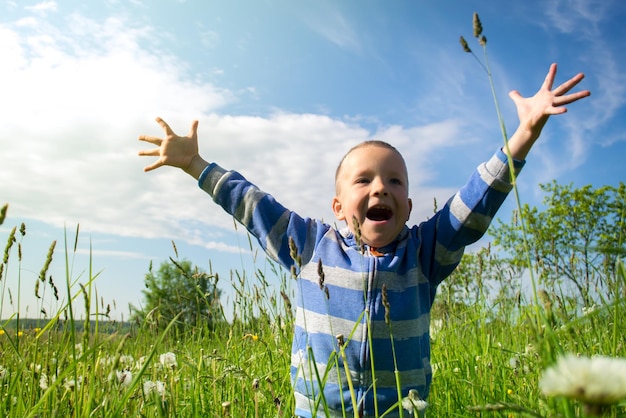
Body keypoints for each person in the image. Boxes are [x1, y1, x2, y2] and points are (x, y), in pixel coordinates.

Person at [138, 63, 589, 417]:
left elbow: (474, 203)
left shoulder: (424, 254)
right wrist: (197, 164)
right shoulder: (309, 246)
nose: (380, 189)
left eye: (395, 181)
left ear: (408, 208)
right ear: (337, 207)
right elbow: (252, 204)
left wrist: (523, 135)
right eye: (364, 180)